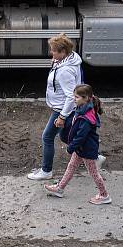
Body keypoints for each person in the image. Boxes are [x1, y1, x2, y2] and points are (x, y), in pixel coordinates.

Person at [27, 33, 83, 181]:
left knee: (47, 137)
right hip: (66, 108)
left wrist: (62, 116)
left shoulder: (65, 71)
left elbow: (71, 96)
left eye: (54, 51)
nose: (51, 53)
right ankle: (94, 156)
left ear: (63, 52)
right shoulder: (70, 59)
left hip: (62, 109)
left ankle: (46, 171)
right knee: (66, 136)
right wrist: (56, 62)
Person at [44, 84, 111, 205]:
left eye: (77, 97)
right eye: (74, 96)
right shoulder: (81, 109)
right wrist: (63, 125)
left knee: (93, 172)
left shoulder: (86, 117)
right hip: (81, 148)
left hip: (86, 149)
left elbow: (81, 136)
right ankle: (60, 188)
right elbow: (75, 126)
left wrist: (71, 147)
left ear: (86, 98)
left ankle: (104, 195)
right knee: (71, 166)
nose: (74, 99)